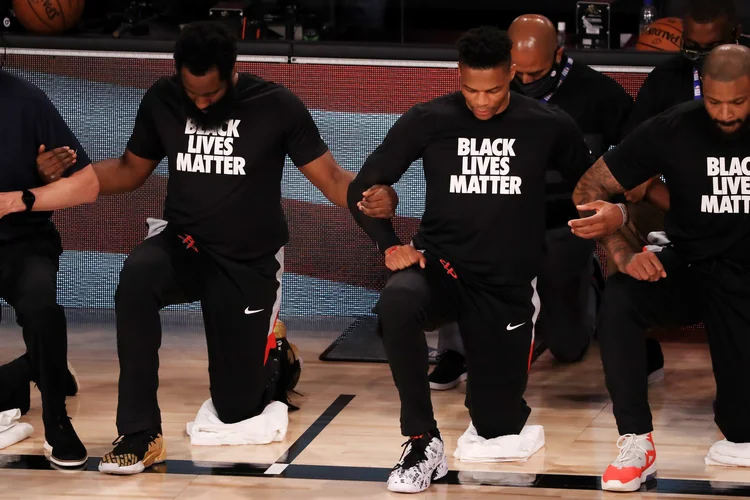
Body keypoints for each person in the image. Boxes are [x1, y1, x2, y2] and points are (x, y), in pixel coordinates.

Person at [26, 21, 397, 475]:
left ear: (232, 72)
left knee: (236, 411)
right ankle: (140, 434)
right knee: (136, 278)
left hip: (248, 261)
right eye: (192, 93)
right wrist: (67, 180)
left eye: (211, 95)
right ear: (177, 72)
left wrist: (374, 206)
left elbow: (335, 180)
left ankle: (275, 358)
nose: (200, 103)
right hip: (184, 245)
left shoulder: (275, 105)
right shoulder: (163, 98)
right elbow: (128, 169)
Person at [348, 26, 593, 493]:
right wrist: (389, 241)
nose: (482, 102)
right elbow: (363, 187)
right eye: (471, 89)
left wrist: (612, 215)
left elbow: (594, 185)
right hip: (440, 268)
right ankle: (422, 441)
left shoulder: (548, 123)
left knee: (496, 425)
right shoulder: (428, 119)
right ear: (458, 76)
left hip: (506, 285)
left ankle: (496, 412)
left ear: (513, 74)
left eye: (495, 90)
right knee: (397, 304)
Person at [570, 44, 750, 492]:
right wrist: (621, 250)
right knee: (622, 298)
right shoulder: (675, 127)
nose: (725, 112)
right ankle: (636, 442)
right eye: (714, 101)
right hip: (689, 264)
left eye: (739, 102)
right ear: (701, 90)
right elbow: (588, 187)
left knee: (742, 429)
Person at [427, 14, 633, 391]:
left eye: (534, 75)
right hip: (495, 217)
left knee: (569, 348)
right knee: (459, 248)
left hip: (561, 223)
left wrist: (616, 204)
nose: (522, 82)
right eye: (516, 73)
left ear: (558, 56)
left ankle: (586, 287)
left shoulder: (601, 94)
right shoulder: (491, 89)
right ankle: (455, 351)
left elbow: (633, 159)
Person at [0, 69, 100, 467]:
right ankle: (39, 366)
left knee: (41, 306)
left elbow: (87, 184)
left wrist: (17, 199)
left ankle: (57, 419)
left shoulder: (27, 99)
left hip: (22, 241)